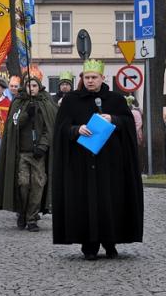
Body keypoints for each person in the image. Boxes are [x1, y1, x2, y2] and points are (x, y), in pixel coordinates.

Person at [52, 59, 143, 260]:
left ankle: (111, 242)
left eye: (94, 77)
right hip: (81, 162)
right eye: (87, 77)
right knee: (86, 203)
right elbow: (61, 129)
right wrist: (77, 130)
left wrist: (114, 119)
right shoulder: (71, 100)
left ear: (102, 78)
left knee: (110, 201)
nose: (90, 81)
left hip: (111, 162)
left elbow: (128, 124)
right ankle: (89, 245)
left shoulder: (116, 100)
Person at [0, 71, 57, 232]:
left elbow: (50, 128)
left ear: (39, 87)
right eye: (28, 85)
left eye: (34, 85)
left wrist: (43, 146)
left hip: (38, 154)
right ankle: (22, 211)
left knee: (37, 185)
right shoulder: (18, 102)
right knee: (23, 183)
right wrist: (27, 114)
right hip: (22, 153)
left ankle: (32, 218)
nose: (31, 88)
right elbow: (13, 125)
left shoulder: (46, 102)